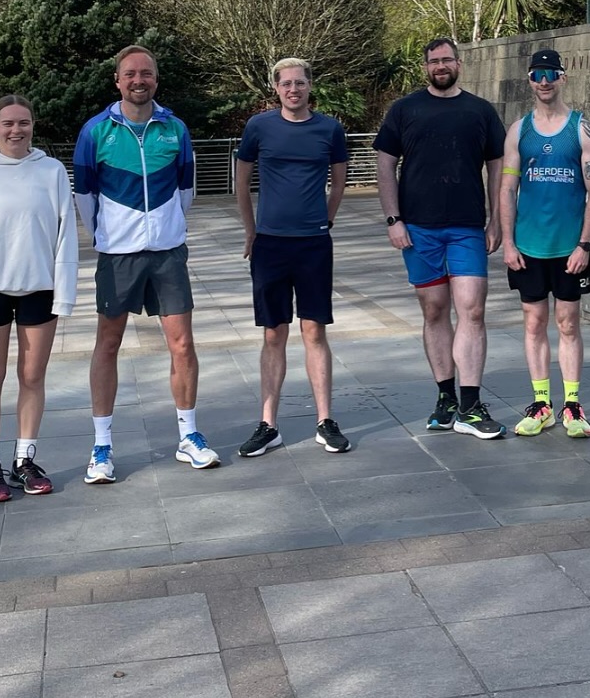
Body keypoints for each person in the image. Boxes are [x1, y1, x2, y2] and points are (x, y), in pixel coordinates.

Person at [74, 44, 216, 480]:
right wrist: (111, 234)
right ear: (117, 80)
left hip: (168, 254)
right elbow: (85, 197)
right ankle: (101, 448)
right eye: (130, 74)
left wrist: (164, 227)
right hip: (118, 257)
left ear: (156, 79)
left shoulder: (175, 129)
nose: (139, 81)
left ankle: (188, 436)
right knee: (108, 345)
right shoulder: (95, 131)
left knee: (183, 345)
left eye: (147, 74)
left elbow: (186, 190)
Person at [374, 37, 507, 439]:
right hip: (418, 229)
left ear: (459, 63)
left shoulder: (480, 111)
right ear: (426, 66)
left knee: (472, 309)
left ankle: (470, 403)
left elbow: (497, 167)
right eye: (434, 61)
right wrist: (393, 219)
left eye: (447, 59)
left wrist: (496, 220)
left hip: (466, 227)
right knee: (434, 310)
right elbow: (385, 164)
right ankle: (445, 398)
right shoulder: (404, 109)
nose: (441, 66)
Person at [0, 94, 77, 501]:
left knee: (32, 378)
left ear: (33, 126)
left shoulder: (52, 171)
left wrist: (65, 295)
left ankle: (25, 460)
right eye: (8, 123)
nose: (16, 131)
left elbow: (65, 237)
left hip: (40, 288)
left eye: (23, 123)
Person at [234, 58, 352, 457]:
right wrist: (251, 230)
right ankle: (269, 424)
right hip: (270, 244)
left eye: (299, 83)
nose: (293, 90)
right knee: (273, 333)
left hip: (313, 243)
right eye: (286, 84)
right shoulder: (259, 127)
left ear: (309, 86)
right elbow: (242, 179)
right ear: (276, 88)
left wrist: (327, 217)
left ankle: (325, 420)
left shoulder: (329, 129)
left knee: (314, 331)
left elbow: (339, 178)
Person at [499, 49, 590, 438]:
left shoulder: (582, 129)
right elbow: (508, 189)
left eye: (551, 74)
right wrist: (508, 243)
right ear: (529, 79)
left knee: (569, 323)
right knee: (534, 322)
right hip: (528, 246)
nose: (544, 81)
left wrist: (585, 244)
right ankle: (542, 403)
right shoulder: (518, 130)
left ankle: (572, 406)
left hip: (569, 248)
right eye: (537, 74)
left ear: (562, 77)